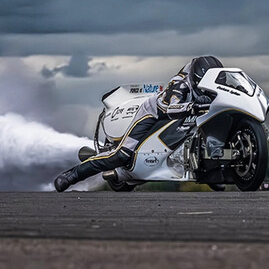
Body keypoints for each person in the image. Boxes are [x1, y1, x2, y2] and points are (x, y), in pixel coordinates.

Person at [53, 55, 223, 192]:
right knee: (121, 155)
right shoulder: (179, 86)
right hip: (154, 113)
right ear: (196, 80)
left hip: (184, 116)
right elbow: (171, 108)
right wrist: (192, 105)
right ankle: (71, 175)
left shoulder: (216, 84)